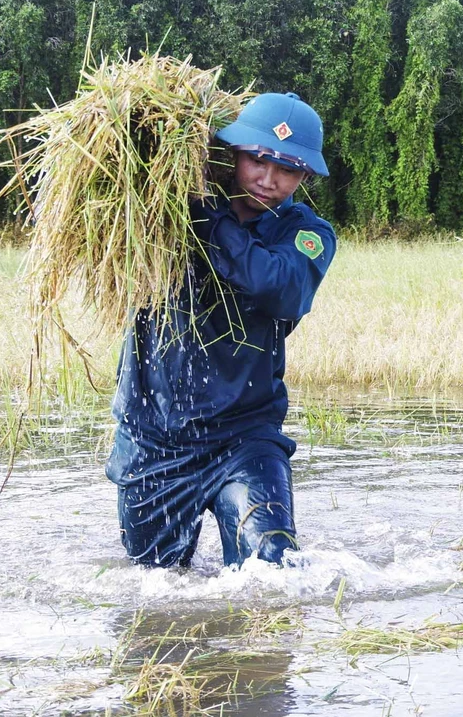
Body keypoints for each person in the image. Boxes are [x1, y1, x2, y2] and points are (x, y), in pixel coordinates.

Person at [106, 92, 337, 568]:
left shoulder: (307, 235)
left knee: (269, 565)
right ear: (232, 151)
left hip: (245, 435)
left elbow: (278, 288)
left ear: (304, 176)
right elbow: (118, 175)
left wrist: (207, 218)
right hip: (154, 434)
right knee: (152, 589)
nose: (268, 179)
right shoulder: (163, 213)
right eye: (257, 159)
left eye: (287, 169)